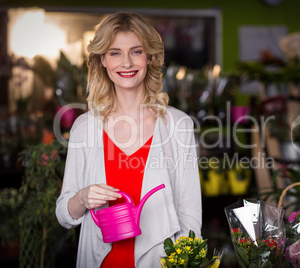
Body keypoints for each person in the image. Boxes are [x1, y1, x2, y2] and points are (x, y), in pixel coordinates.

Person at [55, 12, 202, 268]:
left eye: (136, 51)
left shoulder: (178, 125)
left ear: (149, 58)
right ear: (102, 60)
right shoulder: (84, 128)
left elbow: (190, 217)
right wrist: (83, 198)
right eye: (115, 53)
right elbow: (63, 215)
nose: (126, 63)